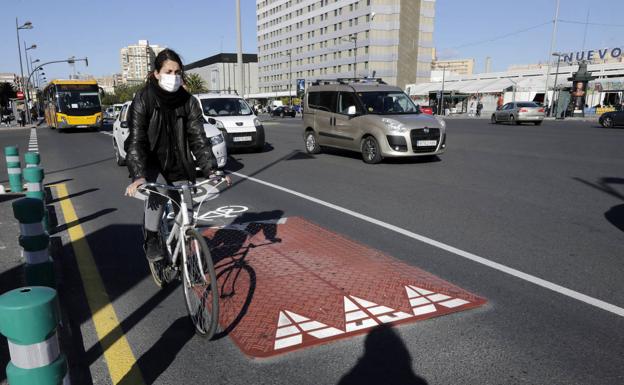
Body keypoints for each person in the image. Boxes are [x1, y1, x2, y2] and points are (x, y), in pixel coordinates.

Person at [124, 48, 219, 262]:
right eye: (168, 71)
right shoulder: (144, 99)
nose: (174, 77)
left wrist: (211, 170)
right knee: (158, 194)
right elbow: (137, 140)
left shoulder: (189, 101)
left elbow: (198, 138)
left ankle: (182, 253)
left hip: (179, 162)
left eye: (178, 72)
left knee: (187, 213)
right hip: (153, 163)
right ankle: (151, 238)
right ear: (156, 73)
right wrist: (138, 175)